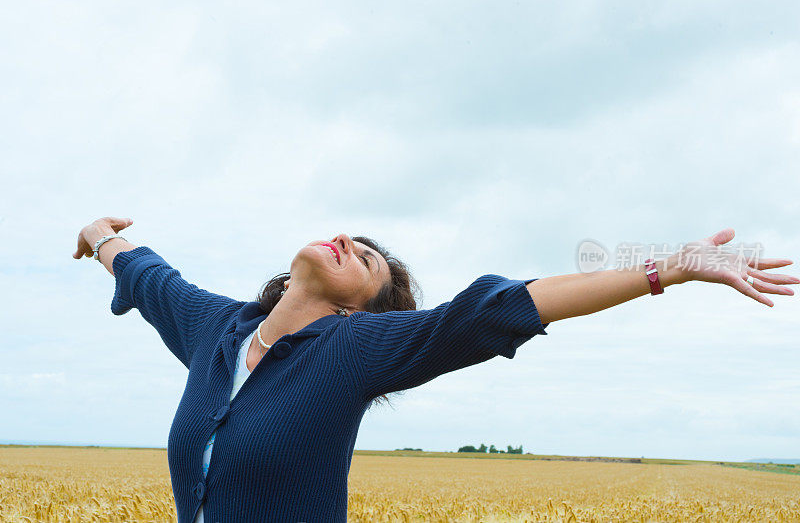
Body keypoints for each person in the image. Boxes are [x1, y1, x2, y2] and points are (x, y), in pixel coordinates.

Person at [73, 216, 797, 523]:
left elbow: (502, 308)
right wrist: (99, 234)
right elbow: (143, 271)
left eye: (366, 258)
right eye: (348, 238)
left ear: (368, 310)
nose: (346, 244)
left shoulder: (351, 350)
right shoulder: (215, 330)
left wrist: (668, 268)